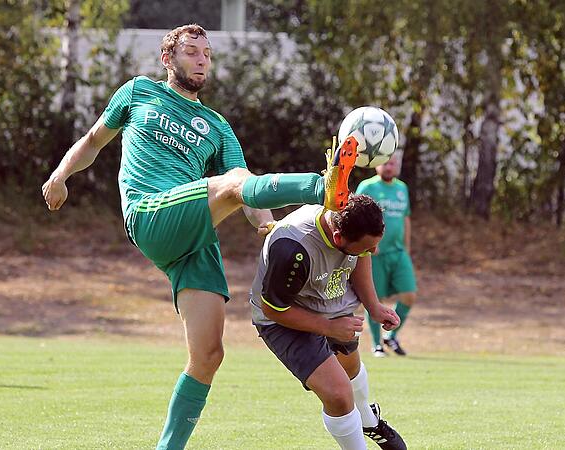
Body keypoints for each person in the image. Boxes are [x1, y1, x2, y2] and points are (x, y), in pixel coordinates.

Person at [41, 24, 359, 450]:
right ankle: (323, 186)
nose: (202, 59)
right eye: (192, 52)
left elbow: (246, 185)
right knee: (226, 185)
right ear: (168, 59)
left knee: (208, 355)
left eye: (207, 53)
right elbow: (95, 140)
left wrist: (266, 227)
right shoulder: (138, 92)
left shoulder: (217, 125)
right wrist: (61, 175)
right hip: (151, 210)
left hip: (193, 234)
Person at [250, 195, 407, 450]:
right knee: (338, 394)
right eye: (367, 247)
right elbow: (273, 308)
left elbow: (361, 254)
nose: (374, 251)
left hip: (331, 303)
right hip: (283, 317)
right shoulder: (292, 248)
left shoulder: (349, 218)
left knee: (350, 369)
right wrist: (328, 328)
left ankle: (368, 420)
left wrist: (373, 306)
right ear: (337, 239)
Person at [356, 150, 418, 357]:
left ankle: (391, 336)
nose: (389, 167)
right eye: (386, 163)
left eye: (393, 163)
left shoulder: (402, 189)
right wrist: (366, 242)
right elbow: (354, 216)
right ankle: (377, 344)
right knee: (376, 299)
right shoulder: (368, 187)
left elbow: (406, 218)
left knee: (409, 295)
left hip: (399, 252)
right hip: (374, 254)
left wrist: (407, 248)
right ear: (377, 165)